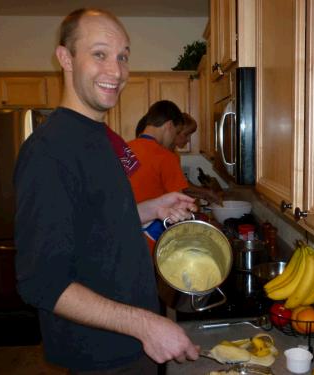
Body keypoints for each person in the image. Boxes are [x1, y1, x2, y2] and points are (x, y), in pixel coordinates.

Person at [13, 8, 199, 374]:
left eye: (123, 56)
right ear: (65, 58)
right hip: (102, 357)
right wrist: (146, 325)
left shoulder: (101, 137)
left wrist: (152, 208)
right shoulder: (49, 152)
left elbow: (96, 223)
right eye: (99, 54)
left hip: (132, 344)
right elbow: (41, 282)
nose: (116, 71)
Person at [128, 103, 222, 253]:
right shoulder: (166, 157)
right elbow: (180, 205)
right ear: (169, 126)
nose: (173, 139)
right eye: (177, 132)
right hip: (154, 243)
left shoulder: (123, 150)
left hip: (126, 236)